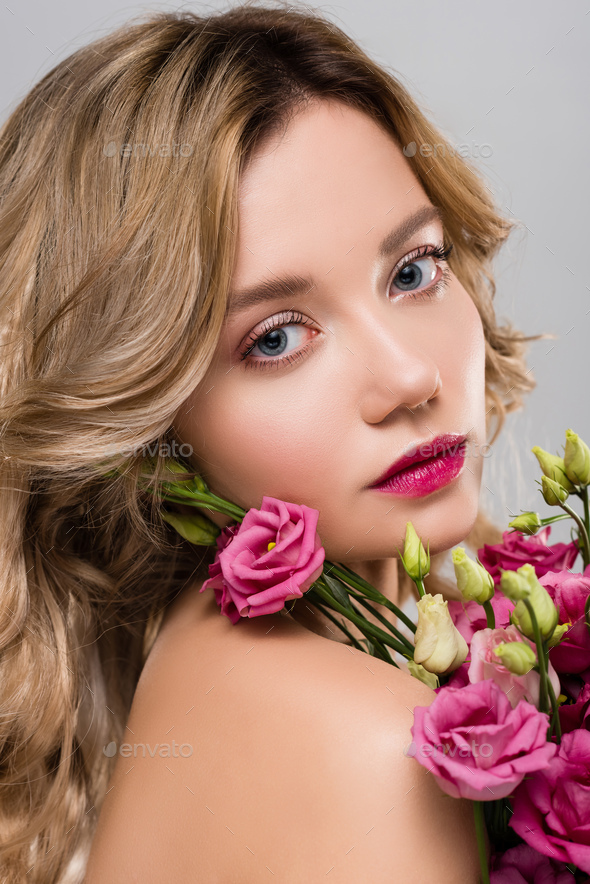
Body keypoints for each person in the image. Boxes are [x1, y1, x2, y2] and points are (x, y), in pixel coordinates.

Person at [0, 3, 547, 882]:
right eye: (278, 337)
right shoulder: (376, 744)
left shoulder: (220, 663)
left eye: (413, 271)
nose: (411, 378)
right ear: (146, 415)